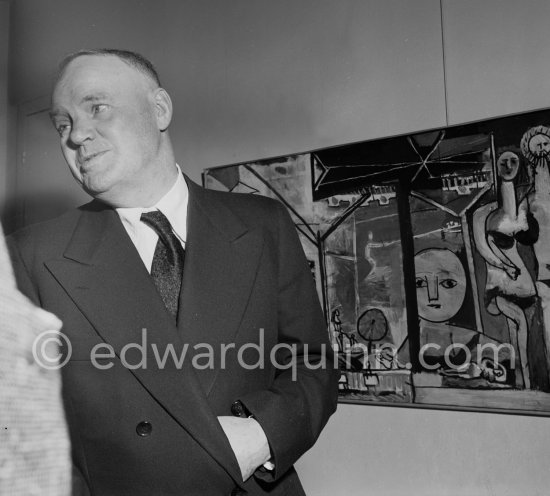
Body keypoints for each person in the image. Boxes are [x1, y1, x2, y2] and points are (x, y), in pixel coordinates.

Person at [7, 49, 338, 496]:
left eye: (96, 107)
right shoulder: (31, 255)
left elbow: (311, 363)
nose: (77, 134)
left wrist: (261, 433)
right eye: (62, 123)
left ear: (159, 109)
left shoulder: (261, 224)